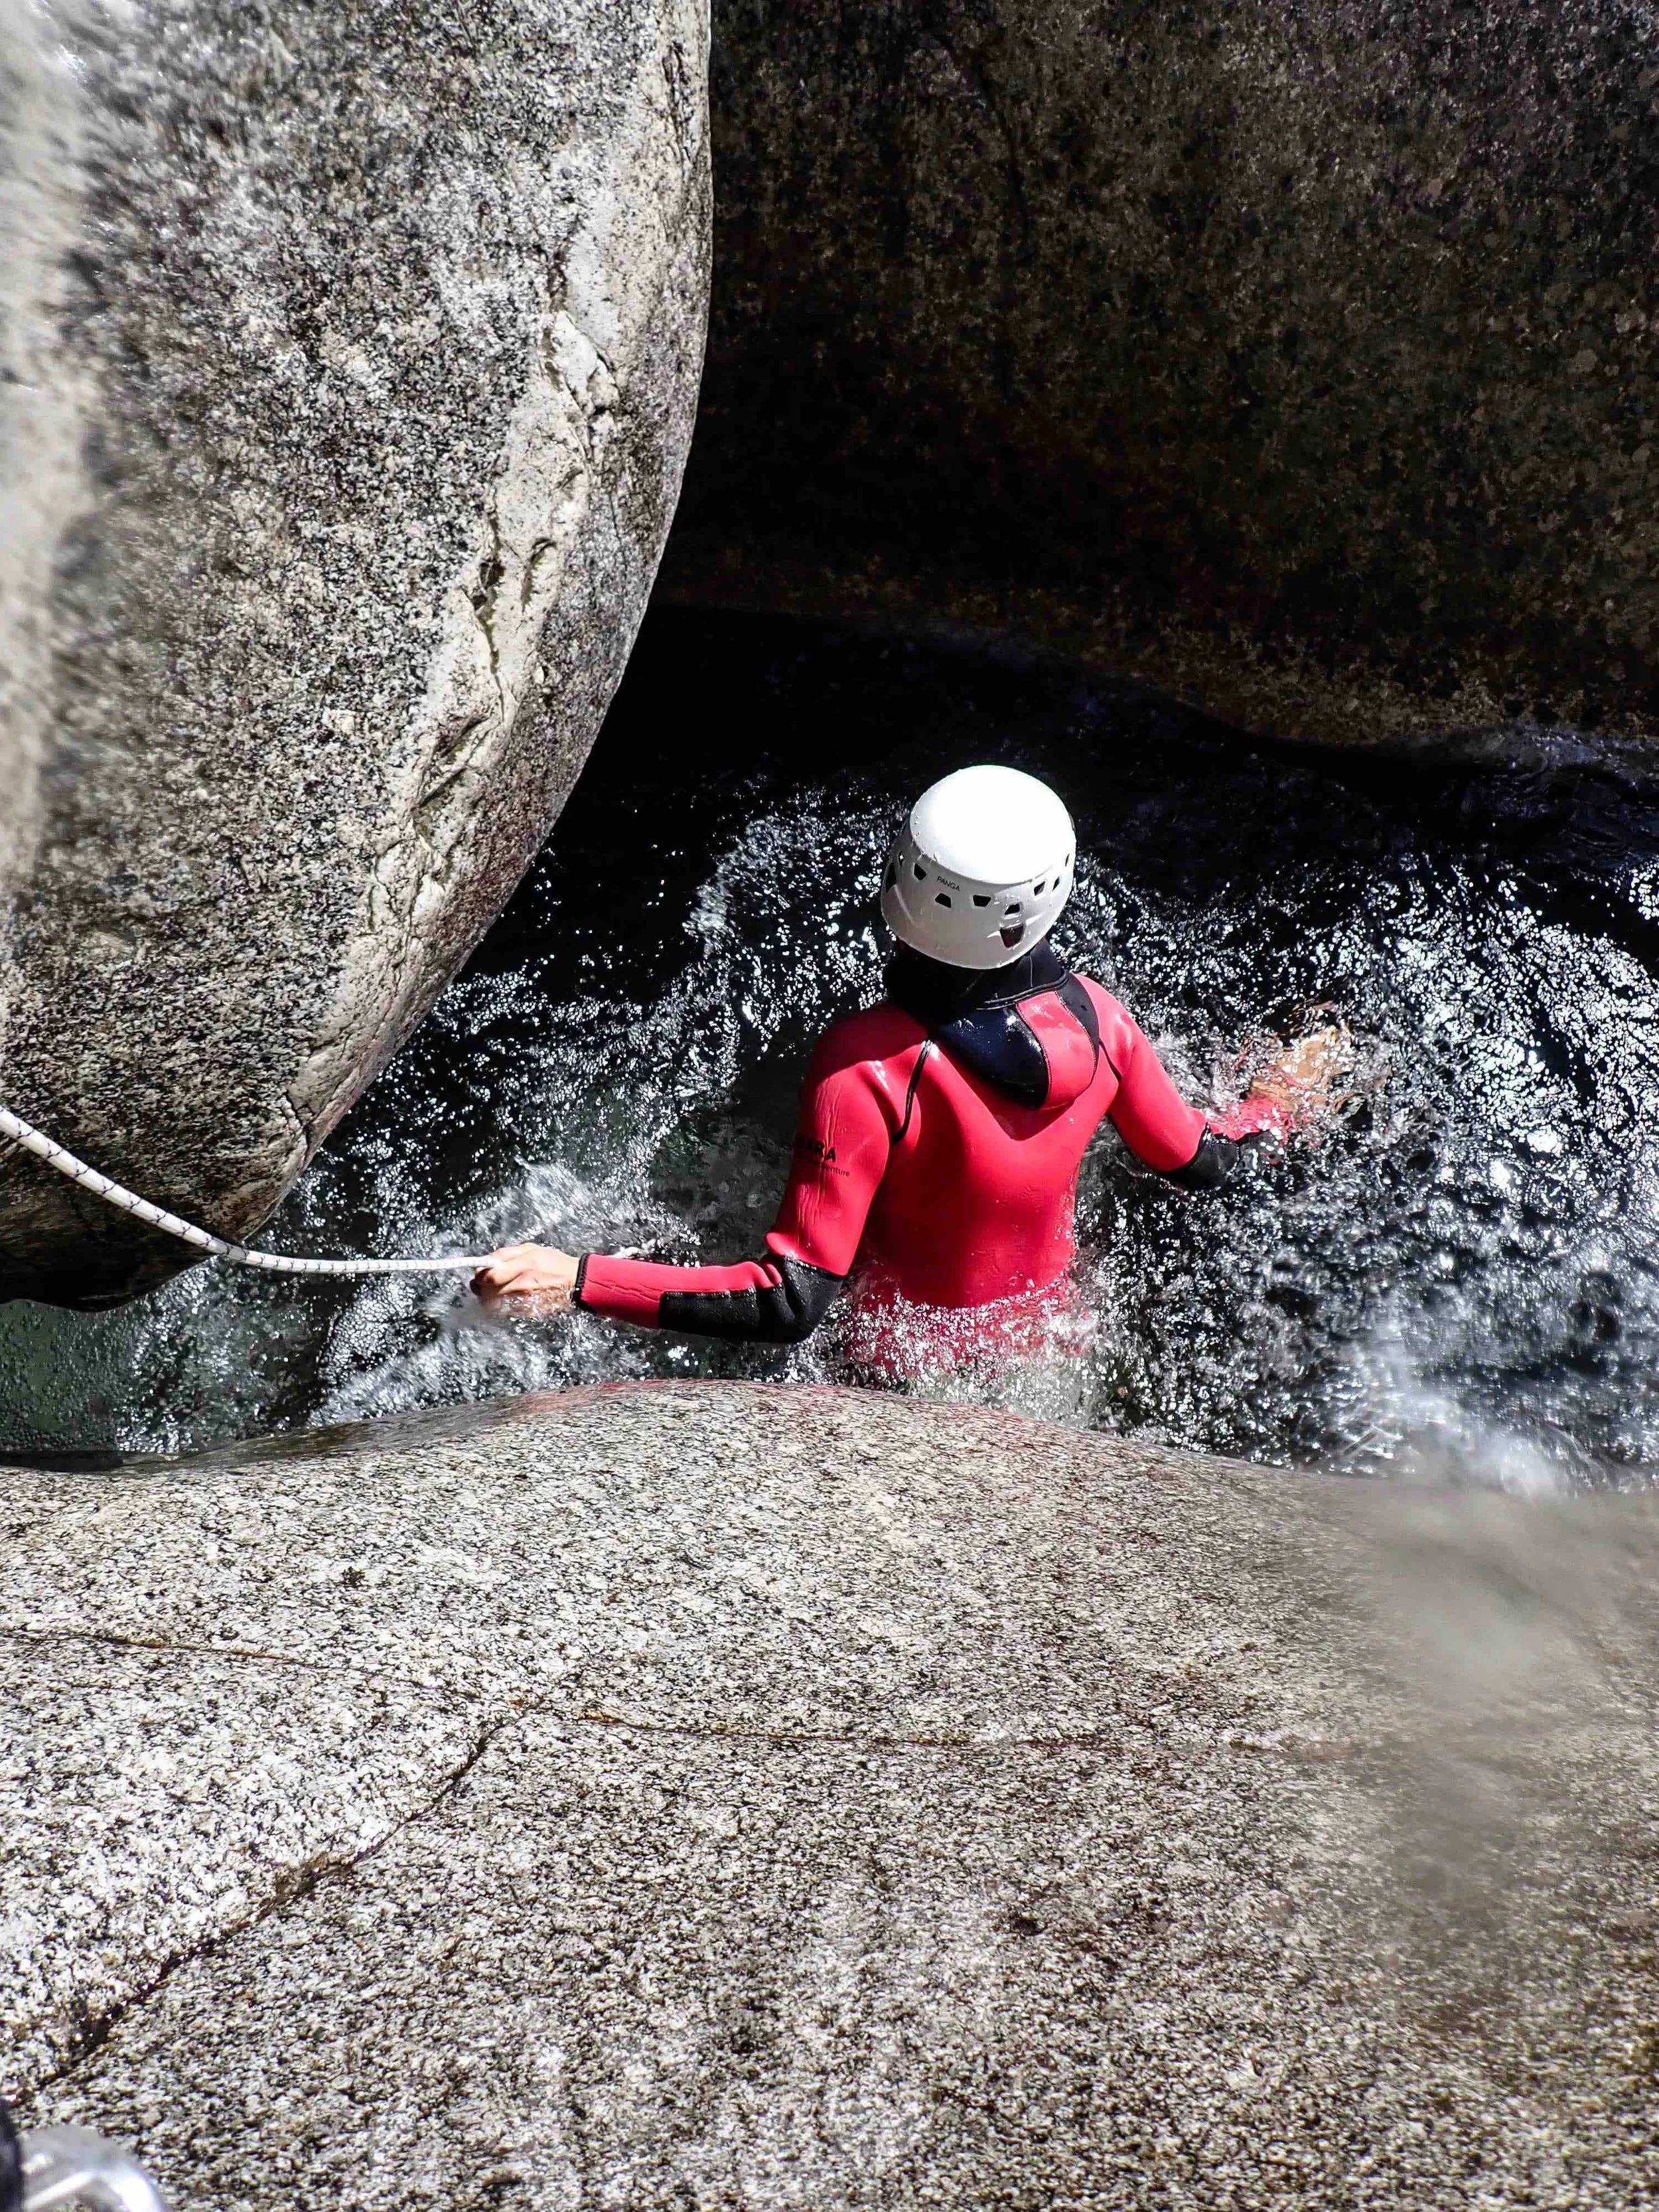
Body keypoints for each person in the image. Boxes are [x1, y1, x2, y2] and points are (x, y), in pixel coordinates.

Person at [472, 765, 1327, 1343]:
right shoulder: (1103, 1023)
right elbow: (1206, 1161)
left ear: (900, 877)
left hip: (893, 1366)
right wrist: (1279, 1098)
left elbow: (790, 1298)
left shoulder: (868, 1064)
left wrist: (579, 1278)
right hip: (1048, 1347)